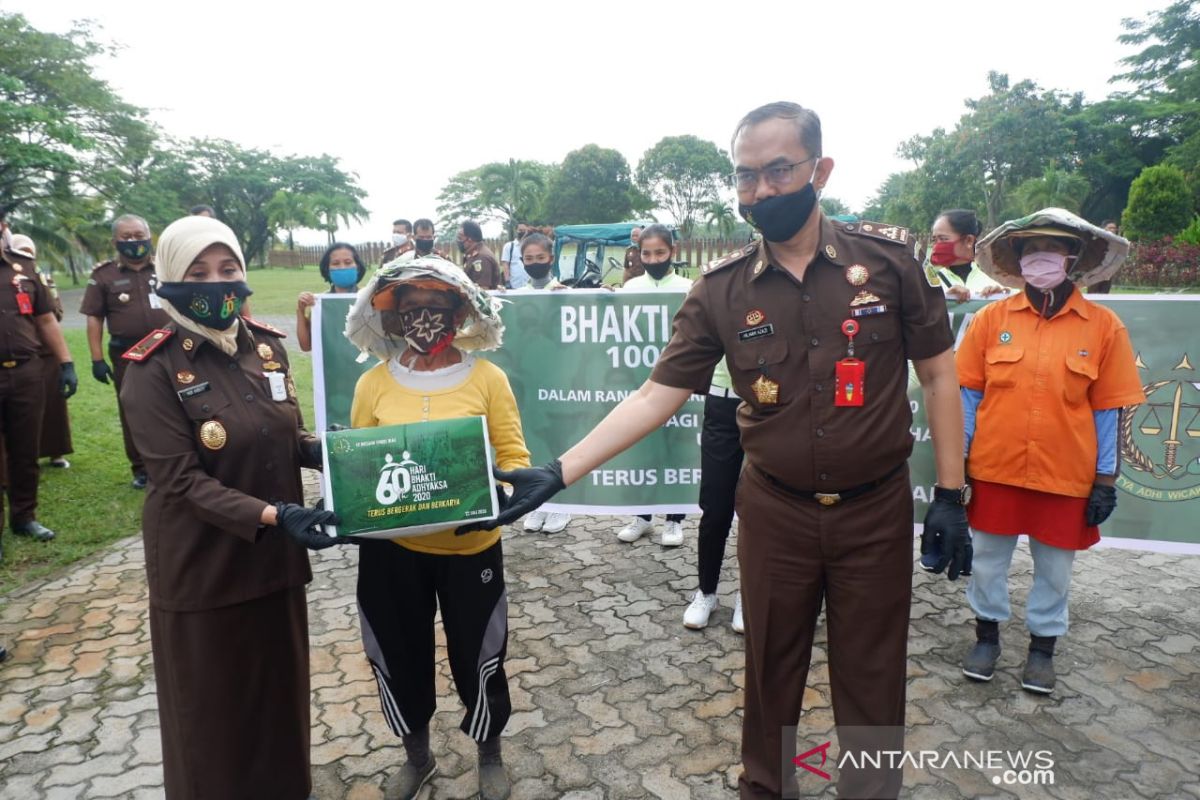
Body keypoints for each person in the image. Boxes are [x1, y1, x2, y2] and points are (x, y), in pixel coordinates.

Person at [485, 101, 969, 799]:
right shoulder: (721, 290)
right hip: (776, 513)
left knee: (872, 674)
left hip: (875, 513)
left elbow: (939, 373)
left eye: (778, 171)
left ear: (819, 170)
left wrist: (951, 494)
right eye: (746, 177)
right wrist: (561, 471)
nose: (762, 190)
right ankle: (767, 789)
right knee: (771, 670)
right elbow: (658, 393)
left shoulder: (887, 267)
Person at [119, 215, 347, 800]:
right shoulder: (153, 369)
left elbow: (284, 438)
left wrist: (338, 454)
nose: (215, 284)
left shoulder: (266, 348)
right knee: (213, 722)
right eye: (197, 273)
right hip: (203, 570)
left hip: (273, 568)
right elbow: (180, 482)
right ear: (170, 279)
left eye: (228, 270)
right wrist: (277, 516)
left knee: (279, 701)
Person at [344, 255, 529, 800]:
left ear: (459, 311)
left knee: (480, 651)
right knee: (399, 651)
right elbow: (360, 463)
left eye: (437, 306)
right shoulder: (372, 385)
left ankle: (489, 751)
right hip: (392, 552)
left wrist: (508, 496)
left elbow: (514, 454)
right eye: (412, 307)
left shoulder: (489, 378)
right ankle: (417, 756)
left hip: (470, 545)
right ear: (395, 317)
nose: (425, 317)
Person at [955, 209, 1143, 694]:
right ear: (1017, 259)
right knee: (987, 561)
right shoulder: (989, 320)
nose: (1041, 256)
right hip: (993, 469)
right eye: (1029, 248)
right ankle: (987, 638)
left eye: (1053, 247)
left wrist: (1104, 481)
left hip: (1066, 475)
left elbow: (1108, 411)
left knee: (1056, 569)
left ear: (1072, 256)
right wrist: (958, 467)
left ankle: (1042, 650)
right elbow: (968, 399)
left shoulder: (1103, 327)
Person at [0, 219, 77, 560]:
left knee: (25, 449)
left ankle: (24, 516)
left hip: (26, 372)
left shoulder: (24, 267)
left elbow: (46, 319)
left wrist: (66, 362)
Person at [80, 214, 171, 489]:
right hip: (128, 356)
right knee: (134, 410)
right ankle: (141, 467)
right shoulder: (103, 275)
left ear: (149, 235)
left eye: (139, 235)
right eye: (126, 237)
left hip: (169, 349)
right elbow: (94, 317)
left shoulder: (167, 268)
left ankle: (181, 459)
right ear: (115, 241)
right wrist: (96, 358)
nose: (134, 241)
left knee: (177, 405)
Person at [615, 224, 691, 547]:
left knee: (675, 450)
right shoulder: (630, 289)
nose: (653, 258)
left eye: (660, 252)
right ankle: (643, 517)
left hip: (678, 384)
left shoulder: (690, 288)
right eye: (647, 253)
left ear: (672, 252)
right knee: (642, 448)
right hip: (640, 384)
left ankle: (674, 521)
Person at [510, 232, 571, 535]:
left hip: (557, 382)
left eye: (540, 258)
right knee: (533, 445)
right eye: (529, 259)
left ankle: (562, 507)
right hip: (528, 386)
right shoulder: (517, 296)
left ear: (552, 258)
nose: (535, 263)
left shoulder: (562, 292)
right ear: (522, 262)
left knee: (557, 445)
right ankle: (537, 506)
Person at [681, 353, 745, 632]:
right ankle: (706, 592)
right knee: (716, 508)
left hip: (772, 403)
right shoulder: (722, 306)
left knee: (759, 511)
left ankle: (749, 594)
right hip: (722, 400)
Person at [8, 235, 73, 469]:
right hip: (19, 352)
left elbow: (54, 315)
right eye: (21, 250)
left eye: (30, 251)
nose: (27, 256)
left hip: (44, 352)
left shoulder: (40, 278)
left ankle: (55, 452)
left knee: (53, 406)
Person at [296, 242, 367, 352]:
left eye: (348, 262)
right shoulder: (321, 305)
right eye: (335, 263)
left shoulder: (370, 299)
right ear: (327, 270)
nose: (342, 267)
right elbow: (306, 346)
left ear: (357, 267)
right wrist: (301, 311)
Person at [929, 209, 1009, 304]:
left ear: (969, 241)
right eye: (934, 240)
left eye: (943, 239)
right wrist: (946, 301)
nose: (937, 246)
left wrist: (1000, 298)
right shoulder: (929, 282)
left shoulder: (997, 279)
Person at [458, 220, 502, 290]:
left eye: (460, 238)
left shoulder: (481, 258)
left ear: (470, 239)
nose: (458, 241)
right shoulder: (473, 255)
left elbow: (483, 291)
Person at [1088, 220, 1120, 294]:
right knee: (1093, 294)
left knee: (1105, 294)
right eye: (1110, 228)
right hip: (1095, 271)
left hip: (1108, 272)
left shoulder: (1117, 243)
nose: (1113, 230)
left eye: (1114, 228)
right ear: (1103, 229)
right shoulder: (1096, 240)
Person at [500, 223, 530, 289]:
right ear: (516, 230)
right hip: (513, 285)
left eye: (524, 230)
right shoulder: (509, 246)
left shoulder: (531, 247)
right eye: (520, 230)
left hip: (529, 286)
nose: (522, 232)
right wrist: (507, 281)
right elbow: (505, 265)